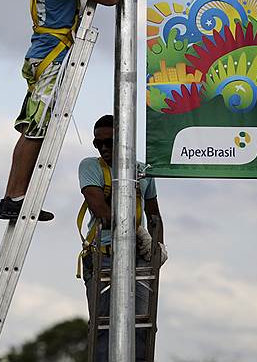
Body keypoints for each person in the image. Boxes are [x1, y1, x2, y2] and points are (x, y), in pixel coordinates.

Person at [0, 0, 121, 221]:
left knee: (32, 129)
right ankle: (15, 197)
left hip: (42, 54)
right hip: (51, 57)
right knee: (35, 131)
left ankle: (14, 196)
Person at [78, 114, 165, 362]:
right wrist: (137, 231)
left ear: (123, 140)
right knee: (103, 328)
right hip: (104, 256)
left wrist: (157, 249)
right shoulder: (91, 167)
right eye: (98, 143)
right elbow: (101, 212)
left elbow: (155, 215)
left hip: (138, 260)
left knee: (142, 327)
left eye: (109, 142)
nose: (103, 148)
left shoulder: (141, 172)